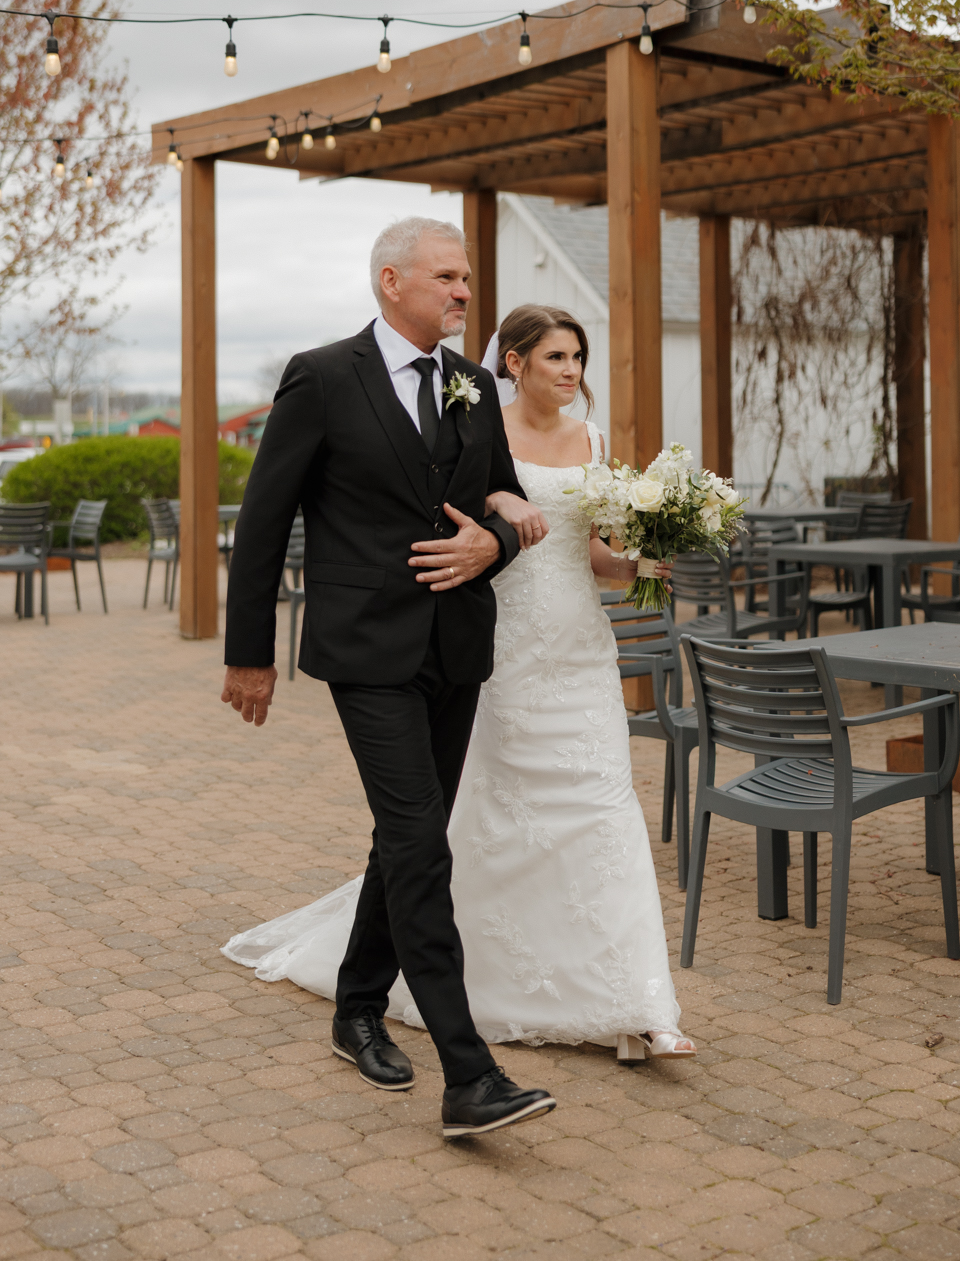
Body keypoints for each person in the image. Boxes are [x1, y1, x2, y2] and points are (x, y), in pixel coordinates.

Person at [224, 302, 694, 1064]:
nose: (573, 371)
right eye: (557, 357)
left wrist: (645, 555)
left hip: (577, 645)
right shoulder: (447, 406)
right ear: (515, 363)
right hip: (490, 641)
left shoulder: (569, 431)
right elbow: (312, 513)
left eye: (579, 358)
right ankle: (451, 1017)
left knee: (605, 809)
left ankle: (635, 998)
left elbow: (591, 550)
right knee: (454, 827)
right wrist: (248, 648)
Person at [220, 217, 557, 1139]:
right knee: (421, 844)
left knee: (408, 836)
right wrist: (246, 650)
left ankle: (356, 1004)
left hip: (456, 645)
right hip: (365, 649)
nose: (462, 292)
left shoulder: (474, 383)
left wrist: (497, 533)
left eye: (466, 279)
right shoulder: (323, 376)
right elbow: (264, 519)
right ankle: (469, 1073)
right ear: (389, 282)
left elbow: (491, 495)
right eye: (446, 278)